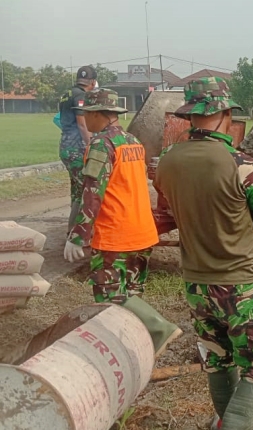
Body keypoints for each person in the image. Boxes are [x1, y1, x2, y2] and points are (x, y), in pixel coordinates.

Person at [153, 77, 253, 430]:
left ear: (191, 116)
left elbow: (168, 211)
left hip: (197, 286)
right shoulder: (244, 165)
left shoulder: (167, 161)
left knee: (218, 359)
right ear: (225, 114)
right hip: (242, 285)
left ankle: (222, 420)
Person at [62, 88, 182, 358]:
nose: (84, 118)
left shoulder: (101, 145)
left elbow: (93, 192)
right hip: (141, 233)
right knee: (130, 293)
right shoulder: (132, 142)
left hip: (116, 235)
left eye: (86, 113)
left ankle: (158, 329)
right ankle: (134, 346)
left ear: (97, 114)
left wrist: (78, 235)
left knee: (109, 296)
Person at [58, 65, 99, 232]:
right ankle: (80, 233)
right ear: (92, 82)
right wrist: (91, 147)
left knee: (77, 189)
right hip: (77, 149)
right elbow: (82, 125)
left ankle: (72, 229)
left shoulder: (67, 94)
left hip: (66, 146)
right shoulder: (81, 96)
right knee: (86, 189)